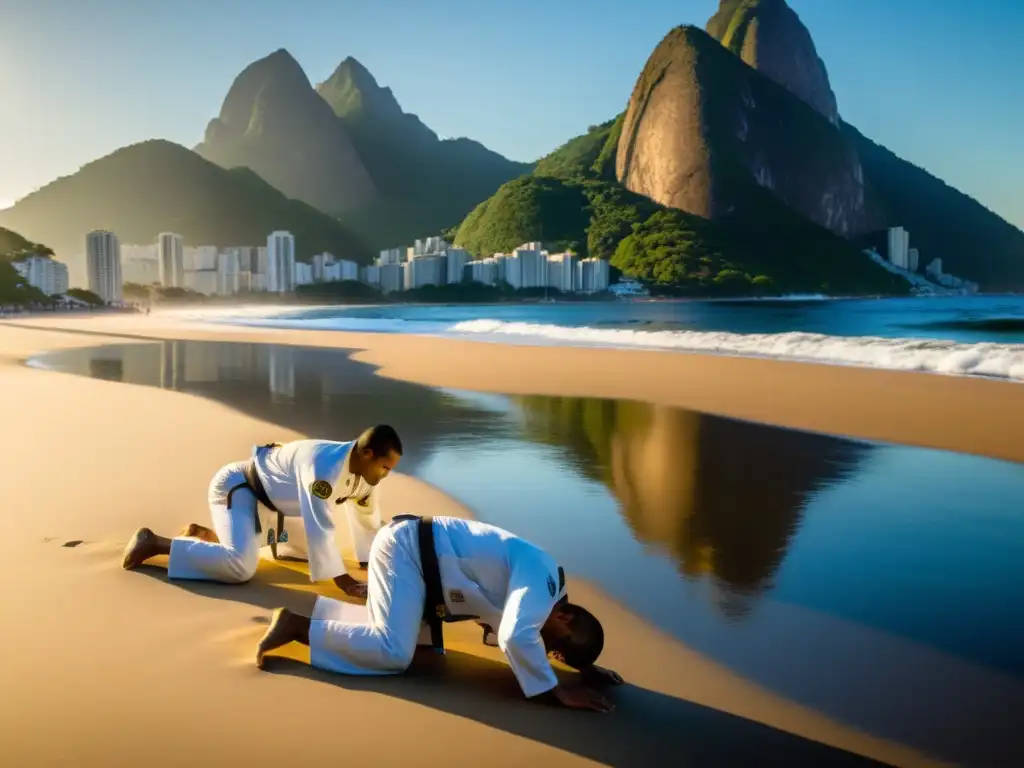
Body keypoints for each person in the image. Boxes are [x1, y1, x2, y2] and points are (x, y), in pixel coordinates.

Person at [254, 514, 624, 712]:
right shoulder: (542, 586)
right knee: (393, 653)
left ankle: (329, 615)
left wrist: (585, 666)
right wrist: (554, 689)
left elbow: (530, 631)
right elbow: (514, 635)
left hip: (429, 577)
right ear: (564, 618)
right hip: (407, 552)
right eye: (554, 647)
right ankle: (296, 626)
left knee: (422, 653)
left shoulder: (550, 596)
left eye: (555, 657)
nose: (547, 652)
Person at [121, 425, 403, 598]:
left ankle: (206, 536)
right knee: (241, 567)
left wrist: (370, 562)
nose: (387, 474)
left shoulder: (368, 476)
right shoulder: (324, 468)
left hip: (275, 506)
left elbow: (368, 518)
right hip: (239, 488)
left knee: (305, 554)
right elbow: (320, 527)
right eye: (386, 467)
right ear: (367, 454)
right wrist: (347, 584)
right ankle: (157, 543)